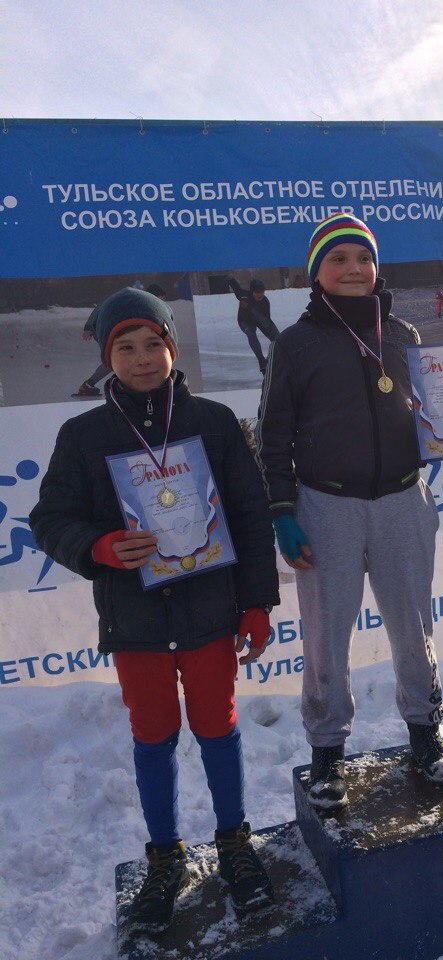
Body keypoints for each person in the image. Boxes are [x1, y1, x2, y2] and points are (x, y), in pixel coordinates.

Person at [30, 287, 279, 930]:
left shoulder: (215, 423)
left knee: (217, 726)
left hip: (210, 614)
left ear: (172, 349)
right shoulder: (82, 436)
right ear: (107, 358)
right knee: (154, 733)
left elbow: (251, 518)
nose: (142, 359)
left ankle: (234, 843)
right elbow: (50, 518)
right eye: (126, 348)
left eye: (153, 344)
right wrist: (100, 547)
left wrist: (256, 603)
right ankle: (165, 856)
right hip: (136, 621)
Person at [255, 213, 443, 810]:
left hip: (401, 498)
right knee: (326, 636)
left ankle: (425, 732)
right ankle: (326, 751)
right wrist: (282, 512)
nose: (354, 269)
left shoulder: (401, 335)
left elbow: (431, 414)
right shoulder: (295, 344)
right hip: (326, 505)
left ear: (377, 267)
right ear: (317, 271)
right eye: (339, 259)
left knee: (414, 627)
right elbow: (273, 438)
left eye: (364, 258)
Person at [73, 285, 168, 398]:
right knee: (115, 357)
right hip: (105, 328)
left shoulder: (148, 306)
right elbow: (102, 306)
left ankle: (123, 385)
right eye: (160, 299)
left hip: (116, 329)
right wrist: (88, 327)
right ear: (153, 296)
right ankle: (91, 385)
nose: (162, 302)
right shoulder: (132, 298)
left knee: (127, 355)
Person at [228, 277, 280, 375]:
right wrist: (227, 279)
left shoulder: (265, 302)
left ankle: (271, 359)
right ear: (252, 292)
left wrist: (276, 337)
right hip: (245, 321)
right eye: (257, 293)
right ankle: (261, 360)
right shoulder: (243, 296)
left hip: (259, 320)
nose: (260, 295)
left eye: (262, 292)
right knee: (251, 333)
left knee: (279, 339)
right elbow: (234, 285)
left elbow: (267, 323)